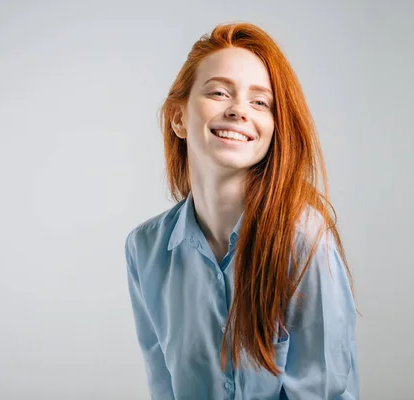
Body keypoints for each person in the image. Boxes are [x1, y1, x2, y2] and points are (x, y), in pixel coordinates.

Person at [124, 21, 359, 399]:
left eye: (260, 101)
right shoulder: (144, 249)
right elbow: (163, 386)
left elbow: (324, 391)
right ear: (179, 118)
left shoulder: (305, 240)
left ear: (273, 128)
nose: (238, 110)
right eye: (219, 92)